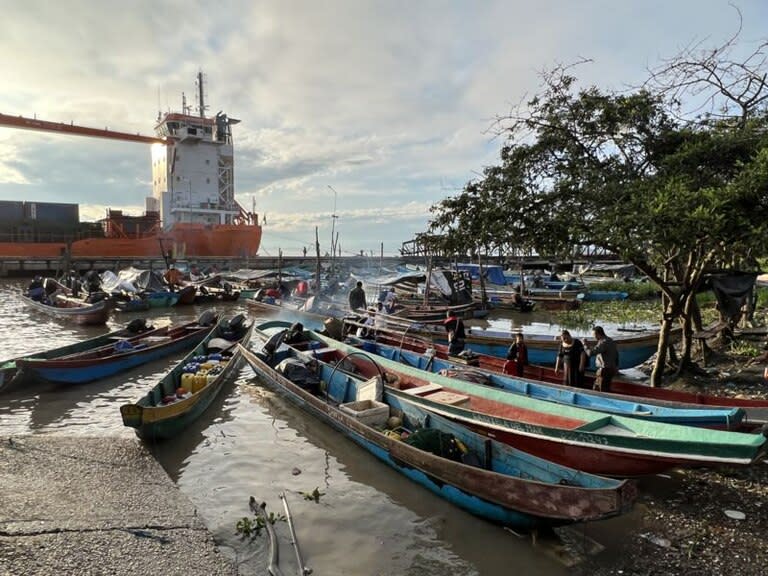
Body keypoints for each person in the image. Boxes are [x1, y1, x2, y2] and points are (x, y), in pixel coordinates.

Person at [587, 326, 619, 392]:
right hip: (611, 369)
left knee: (600, 389)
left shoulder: (603, 342)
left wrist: (585, 345)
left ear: (598, 334)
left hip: (604, 370)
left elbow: (590, 353)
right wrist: (616, 366)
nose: (594, 337)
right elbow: (616, 355)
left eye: (594, 335)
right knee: (606, 388)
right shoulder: (610, 340)